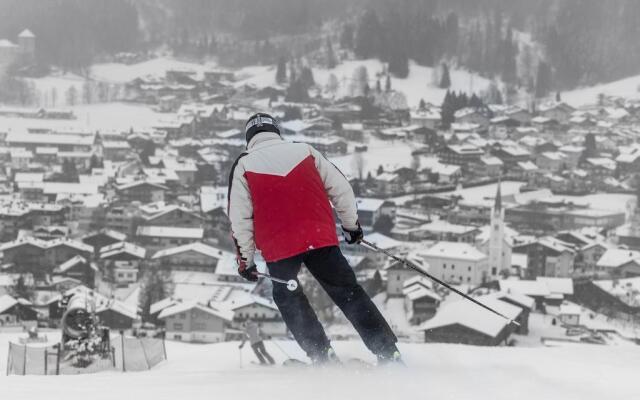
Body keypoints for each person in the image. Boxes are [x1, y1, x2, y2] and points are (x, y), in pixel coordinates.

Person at [228, 112, 401, 364]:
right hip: (319, 237)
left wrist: (246, 262)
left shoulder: (243, 164)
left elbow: (239, 219)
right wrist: (351, 227)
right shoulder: (305, 151)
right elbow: (341, 189)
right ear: (276, 131)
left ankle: (322, 355)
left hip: (279, 247)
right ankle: (388, 352)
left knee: (289, 297)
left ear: (249, 138)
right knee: (348, 292)